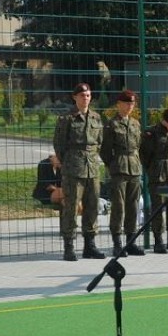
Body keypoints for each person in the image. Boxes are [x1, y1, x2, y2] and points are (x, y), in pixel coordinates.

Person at [53, 82, 105, 262]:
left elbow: (99, 142)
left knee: (92, 206)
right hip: (73, 169)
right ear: (74, 97)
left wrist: (90, 156)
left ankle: (90, 245)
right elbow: (59, 145)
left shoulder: (96, 118)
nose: (86, 98)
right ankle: (69, 245)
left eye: (88, 95)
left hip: (92, 167)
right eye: (82, 95)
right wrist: (69, 162)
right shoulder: (66, 119)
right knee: (71, 207)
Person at [101, 89, 145, 257]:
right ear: (118, 104)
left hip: (134, 167)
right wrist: (112, 164)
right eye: (126, 103)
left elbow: (138, 145)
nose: (129, 106)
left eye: (132, 103)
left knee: (133, 205)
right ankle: (117, 242)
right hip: (118, 168)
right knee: (118, 206)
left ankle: (131, 241)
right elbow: (105, 151)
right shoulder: (111, 124)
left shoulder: (135, 124)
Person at [140, 106, 168, 254]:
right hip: (157, 173)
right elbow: (144, 156)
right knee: (157, 208)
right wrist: (152, 169)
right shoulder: (152, 133)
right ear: (166, 121)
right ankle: (158, 241)